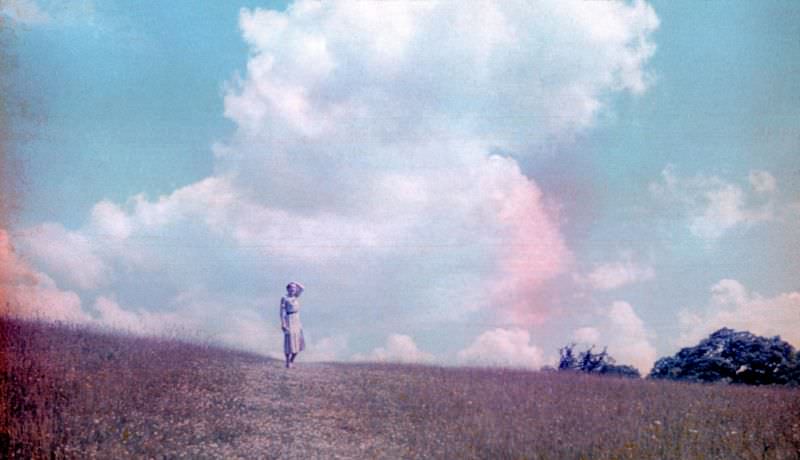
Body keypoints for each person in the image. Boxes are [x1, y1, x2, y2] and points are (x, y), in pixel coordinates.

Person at [280, 281, 306, 368]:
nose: (293, 289)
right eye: (291, 288)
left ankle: (292, 361)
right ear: (288, 289)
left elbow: (302, 288)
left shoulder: (296, 296)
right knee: (289, 342)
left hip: (296, 319)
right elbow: (282, 312)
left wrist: (294, 282)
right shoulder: (284, 298)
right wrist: (283, 323)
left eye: (294, 288)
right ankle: (287, 361)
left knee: (298, 341)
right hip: (289, 319)